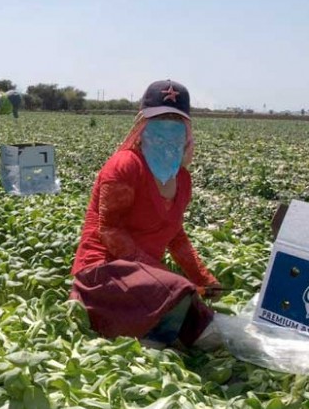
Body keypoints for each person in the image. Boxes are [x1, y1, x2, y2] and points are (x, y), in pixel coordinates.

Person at [70, 79, 222, 350]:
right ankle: (147, 337)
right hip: (104, 274)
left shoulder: (182, 179)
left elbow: (175, 235)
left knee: (205, 328)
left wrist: (203, 279)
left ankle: (154, 333)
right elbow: (109, 231)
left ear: (186, 130)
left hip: (149, 283)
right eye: (159, 120)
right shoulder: (125, 166)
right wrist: (159, 274)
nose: (168, 129)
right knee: (179, 295)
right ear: (142, 125)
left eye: (175, 121)